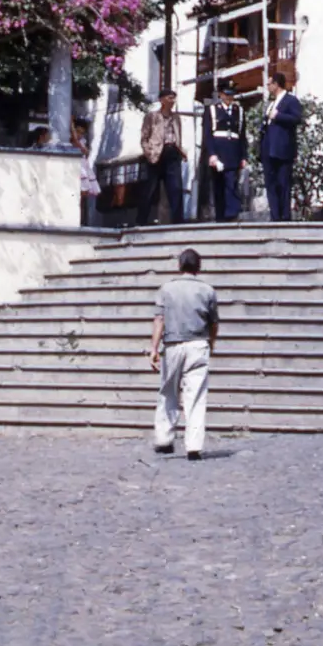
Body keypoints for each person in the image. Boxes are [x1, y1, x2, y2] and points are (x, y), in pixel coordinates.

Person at [146, 248, 219, 460]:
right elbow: (214, 323)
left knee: (168, 392)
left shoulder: (166, 289)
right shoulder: (207, 290)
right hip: (198, 343)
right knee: (195, 396)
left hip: (173, 344)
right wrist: (211, 343)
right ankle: (193, 446)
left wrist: (153, 348)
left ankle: (164, 438)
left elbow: (159, 319)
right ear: (199, 266)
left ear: (179, 265)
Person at [259, 71, 302, 221]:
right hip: (268, 149)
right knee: (271, 184)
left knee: (283, 183)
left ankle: (284, 217)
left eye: (269, 84)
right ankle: (275, 216)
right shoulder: (272, 103)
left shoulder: (290, 100)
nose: (267, 87)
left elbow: (296, 118)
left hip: (282, 149)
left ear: (276, 84)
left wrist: (278, 116)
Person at [137, 89, 185, 226]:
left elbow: (178, 135)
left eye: (174, 98)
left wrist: (180, 151)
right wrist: (149, 153)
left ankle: (178, 221)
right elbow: (144, 138)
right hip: (156, 154)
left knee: (176, 188)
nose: (172, 101)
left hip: (172, 152)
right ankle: (141, 221)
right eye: (170, 98)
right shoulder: (152, 117)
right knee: (150, 189)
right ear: (162, 100)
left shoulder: (176, 118)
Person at [204, 82, 247, 222]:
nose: (229, 98)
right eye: (226, 94)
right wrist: (212, 154)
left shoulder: (238, 111)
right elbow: (208, 135)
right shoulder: (212, 110)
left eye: (231, 95)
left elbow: (242, 136)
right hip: (218, 152)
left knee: (231, 183)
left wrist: (244, 156)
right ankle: (220, 217)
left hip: (233, 153)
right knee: (219, 186)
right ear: (221, 95)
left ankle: (232, 214)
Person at [74, 118, 102, 226]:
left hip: (83, 169)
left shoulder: (82, 142)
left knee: (83, 197)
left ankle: (82, 222)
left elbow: (85, 152)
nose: (79, 135)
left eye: (82, 133)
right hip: (76, 169)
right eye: (77, 131)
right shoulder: (72, 141)